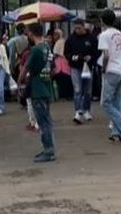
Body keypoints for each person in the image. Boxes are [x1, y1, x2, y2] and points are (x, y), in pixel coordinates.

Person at [98, 9, 121, 142]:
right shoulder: (120, 34)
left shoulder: (104, 35)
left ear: (102, 21)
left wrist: (103, 69)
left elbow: (106, 55)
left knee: (105, 103)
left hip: (112, 71)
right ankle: (118, 132)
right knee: (117, 101)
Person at [26, 23, 56, 163]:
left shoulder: (36, 50)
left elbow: (28, 68)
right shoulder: (47, 48)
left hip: (37, 89)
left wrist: (21, 80)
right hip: (45, 87)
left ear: (31, 34)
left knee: (43, 122)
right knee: (46, 121)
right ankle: (48, 149)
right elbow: (53, 69)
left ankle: (49, 150)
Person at [64, 19, 98, 124]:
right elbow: (66, 53)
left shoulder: (91, 38)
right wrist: (74, 58)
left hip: (88, 67)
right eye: (75, 28)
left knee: (87, 91)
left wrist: (91, 58)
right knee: (77, 90)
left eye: (79, 28)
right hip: (75, 67)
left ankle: (87, 110)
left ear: (84, 27)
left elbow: (97, 52)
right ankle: (78, 111)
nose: (77, 30)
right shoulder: (70, 39)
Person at [52, 29, 72, 100]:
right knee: (67, 79)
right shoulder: (64, 41)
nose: (54, 36)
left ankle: (63, 95)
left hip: (60, 63)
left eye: (55, 35)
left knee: (61, 80)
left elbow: (56, 53)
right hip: (65, 62)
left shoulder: (59, 42)